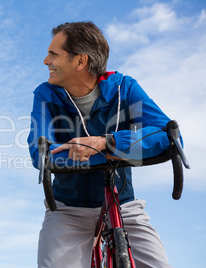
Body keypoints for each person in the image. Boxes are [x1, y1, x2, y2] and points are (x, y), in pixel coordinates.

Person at [27, 21, 172, 268]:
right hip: (69, 210)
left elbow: (166, 136)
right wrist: (114, 153)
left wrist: (107, 143)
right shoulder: (46, 95)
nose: (45, 61)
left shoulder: (125, 89)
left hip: (123, 204)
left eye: (53, 54)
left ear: (80, 61)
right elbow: (41, 153)